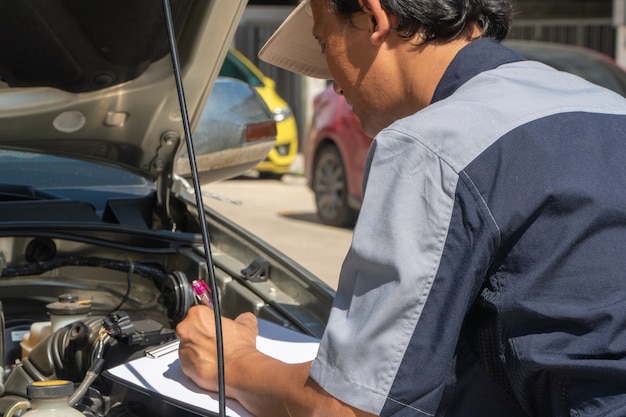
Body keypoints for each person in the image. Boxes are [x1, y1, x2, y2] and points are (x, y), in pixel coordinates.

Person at [176, 0, 626, 415]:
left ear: (374, 18)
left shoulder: (432, 144)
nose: (330, 80)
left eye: (323, 42)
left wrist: (232, 363)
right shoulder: (609, 108)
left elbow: (345, 413)